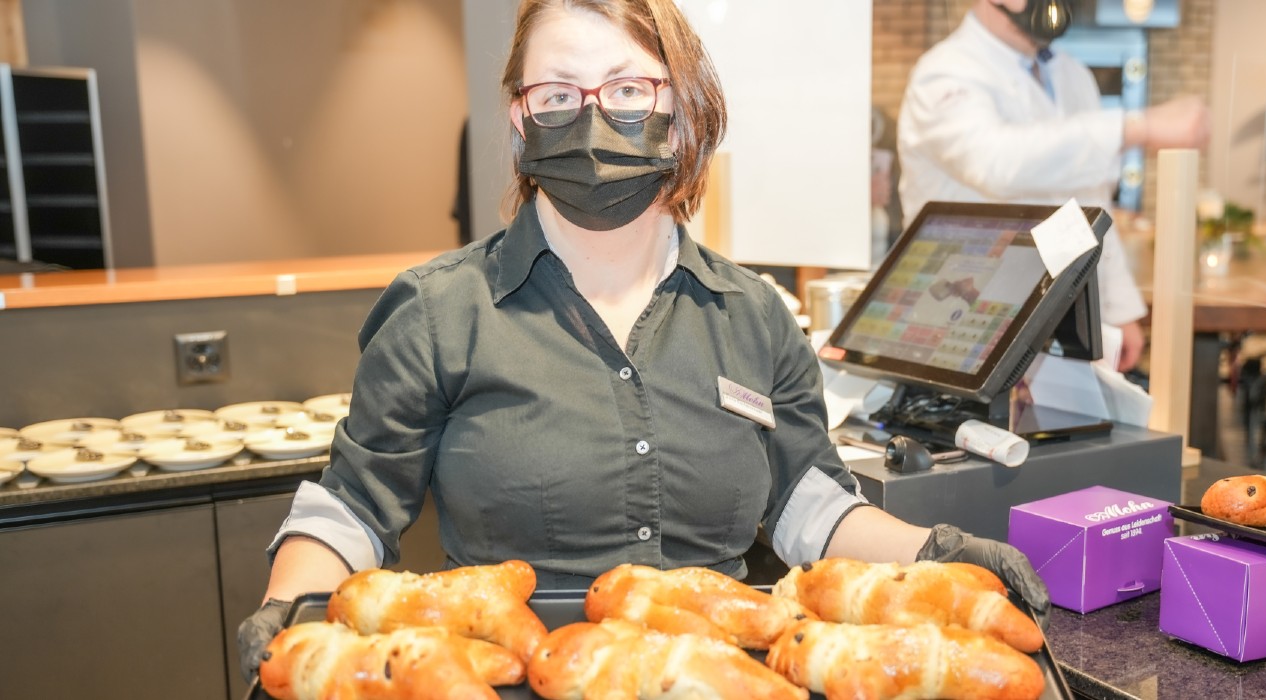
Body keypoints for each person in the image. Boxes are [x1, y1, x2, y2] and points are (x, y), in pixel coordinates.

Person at [237, 0, 1049, 683]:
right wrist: (289, 605)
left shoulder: (754, 313)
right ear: (521, 120)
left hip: (723, 675)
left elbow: (809, 504)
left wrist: (935, 552)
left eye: (626, 87)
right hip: (521, 673)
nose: (591, 115)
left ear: (681, 106)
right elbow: (352, 506)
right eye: (556, 93)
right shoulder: (438, 311)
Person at [897, 0, 1210, 372]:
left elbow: (1092, 199)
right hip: (964, 320)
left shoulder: (1072, 74)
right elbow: (998, 163)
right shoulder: (944, 73)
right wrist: (1134, 127)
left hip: (1058, 315)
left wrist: (1119, 310)